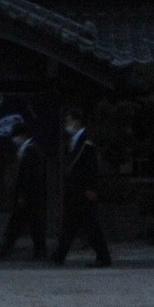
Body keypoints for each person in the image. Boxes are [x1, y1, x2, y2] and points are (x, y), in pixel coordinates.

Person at [51, 107, 112, 267]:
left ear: (77, 121)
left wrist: (91, 188)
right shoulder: (75, 140)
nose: (67, 124)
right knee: (70, 225)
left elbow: (91, 168)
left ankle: (104, 257)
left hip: (83, 190)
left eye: (69, 120)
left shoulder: (86, 142)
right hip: (75, 190)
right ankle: (60, 255)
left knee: (89, 225)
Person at [0, 121, 47, 260]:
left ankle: (6, 249)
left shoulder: (31, 150)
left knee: (26, 224)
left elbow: (29, 175)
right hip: (28, 194)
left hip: (30, 195)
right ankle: (6, 249)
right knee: (24, 224)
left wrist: (23, 194)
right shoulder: (26, 149)